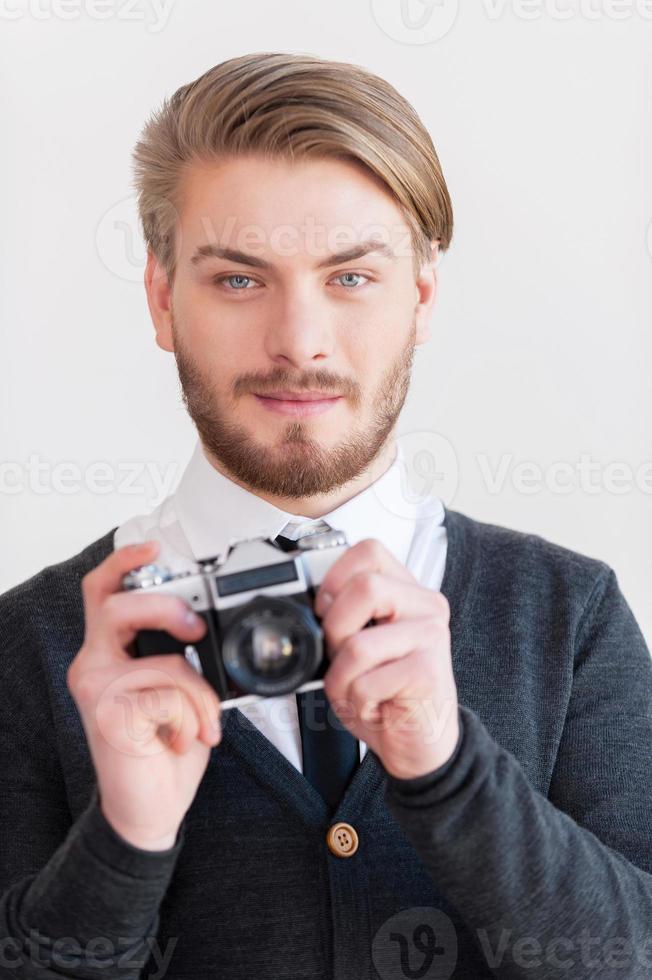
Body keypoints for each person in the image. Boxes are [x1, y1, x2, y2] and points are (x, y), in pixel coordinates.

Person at [1, 51, 650, 980]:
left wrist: (449, 765)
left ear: (422, 296)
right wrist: (125, 839)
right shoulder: (32, 644)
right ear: (160, 298)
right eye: (237, 280)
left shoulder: (570, 615)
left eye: (350, 278)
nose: (299, 343)